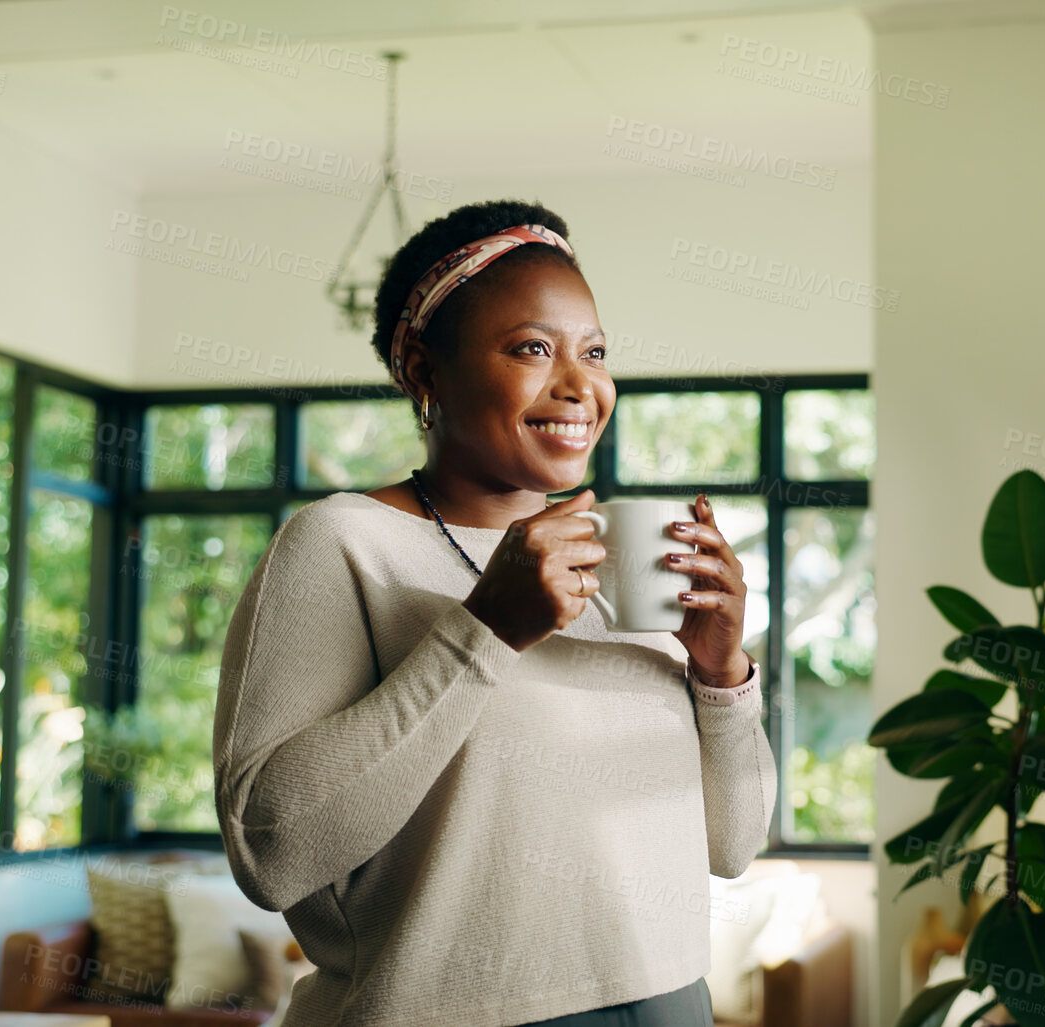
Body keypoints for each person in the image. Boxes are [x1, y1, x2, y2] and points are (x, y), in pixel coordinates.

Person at [212, 198, 776, 1027]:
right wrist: (485, 631)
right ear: (424, 371)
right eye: (532, 349)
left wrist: (722, 671)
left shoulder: (625, 559)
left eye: (594, 351)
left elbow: (732, 845)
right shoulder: (342, 543)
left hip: (672, 1003)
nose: (579, 385)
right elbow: (271, 852)